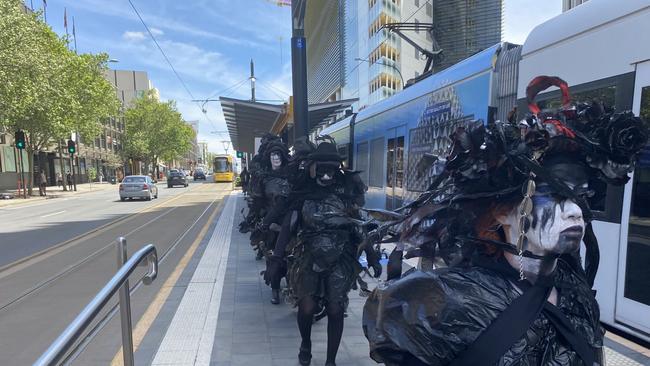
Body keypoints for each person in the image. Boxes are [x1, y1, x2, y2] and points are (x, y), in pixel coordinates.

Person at [362, 76, 649, 366]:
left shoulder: (574, 289)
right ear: (502, 212)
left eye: (581, 198)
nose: (575, 211)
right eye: (555, 196)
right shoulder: (445, 297)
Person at [287, 139, 379, 366]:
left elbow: (358, 223)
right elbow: (290, 223)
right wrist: (277, 257)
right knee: (307, 307)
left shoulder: (347, 189)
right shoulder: (304, 191)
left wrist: (373, 255)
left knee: (336, 309)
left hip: (340, 256)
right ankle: (305, 344)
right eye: (322, 170)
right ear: (314, 167)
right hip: (309, 253)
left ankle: (330, 360)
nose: (327, 176)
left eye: (331, 170)